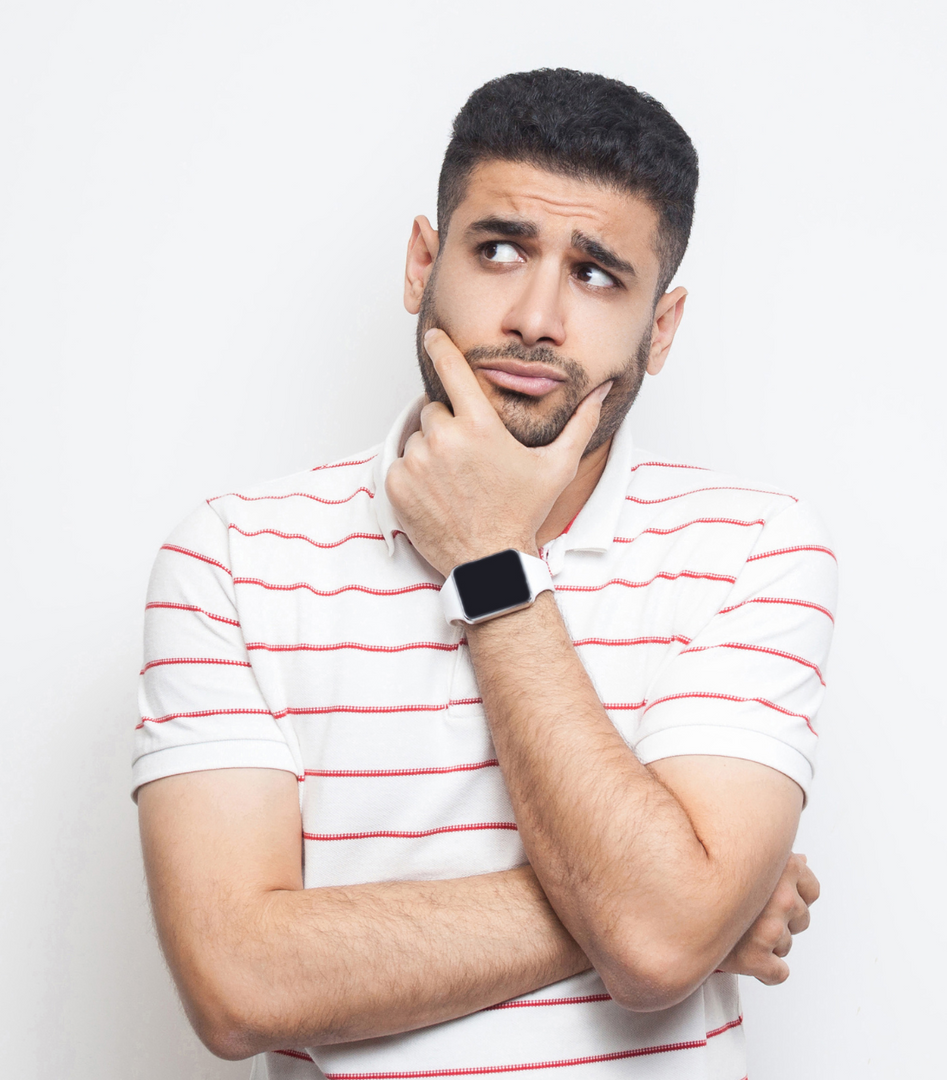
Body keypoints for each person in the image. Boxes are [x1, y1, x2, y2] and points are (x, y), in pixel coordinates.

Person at [133, 68, 836, 1078]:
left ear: (662, 328)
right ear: (424, 263)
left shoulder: (754, 547)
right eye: (500, 249)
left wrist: (488, 561)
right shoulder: (233, 558)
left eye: (597, 274)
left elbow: (659, 943)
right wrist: (690, 898)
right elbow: (239, 986)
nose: (537, 317)